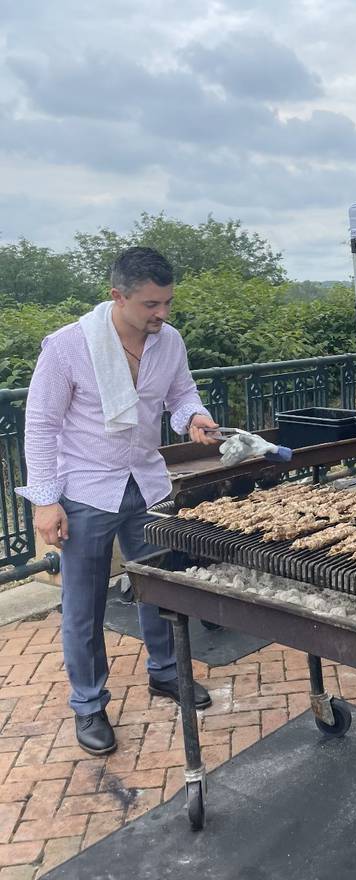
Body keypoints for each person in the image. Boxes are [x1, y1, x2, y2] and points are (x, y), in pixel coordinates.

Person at [17, 247, 220, 757]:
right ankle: (88, 705)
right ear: (118, 296)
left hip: (146, 482)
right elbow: (40, 425)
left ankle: (166, 673)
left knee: (159, 586)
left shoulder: (169, 341)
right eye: (152, 304)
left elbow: (181, 394)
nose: (163, 314)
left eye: (168, 302)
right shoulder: (67, 346)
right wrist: (45, 500)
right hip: (84, 489)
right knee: (83, 605)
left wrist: (193, 418)